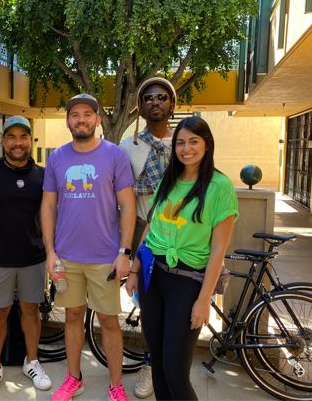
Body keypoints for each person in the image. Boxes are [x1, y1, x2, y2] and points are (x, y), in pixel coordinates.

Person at [124, 116, 238, 400]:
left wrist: (203, 299)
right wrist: (136, 270)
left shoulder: (220, 187)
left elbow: (217, 251)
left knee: (175, 370)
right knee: (159, 363)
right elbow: (152, 228)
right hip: (154, 277)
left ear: (207, 144)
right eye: (180, 143)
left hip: (188, 283)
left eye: (193, 142)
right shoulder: (169, 179)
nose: (186, 149)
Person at [41, 94, 136, 401]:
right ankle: (73, 379)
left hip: (105, 258)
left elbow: (128, 206)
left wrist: (125, 252)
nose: (80, 120)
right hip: (66, 257)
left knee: (108, 320)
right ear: (68, 120)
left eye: (86, 114)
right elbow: (47, 206)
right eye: (74, 115)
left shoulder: (115, 155)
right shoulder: (57, 157)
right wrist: (50, 252)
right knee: (71, 316)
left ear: (97, 119)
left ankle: (116, 384)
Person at [0, 115, 52, 397]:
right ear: (4, 141)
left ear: (31, 140)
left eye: (23, 137)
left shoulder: (43, 175)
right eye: (12, 137)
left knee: (31, 311)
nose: (18, 143)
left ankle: (33, 362)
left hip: (33, 257)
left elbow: (48, 215)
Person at [119, 77, 176, 399]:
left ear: (172, 104)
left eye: (162, 97)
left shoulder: (184, 141)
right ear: (140, 107)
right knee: (148, 304)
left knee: (175, 303)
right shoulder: (129, 146)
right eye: (148, 98)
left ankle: (170, 366)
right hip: (143, 231)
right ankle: (151, 366)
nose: (155, 102)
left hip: (179, 232)